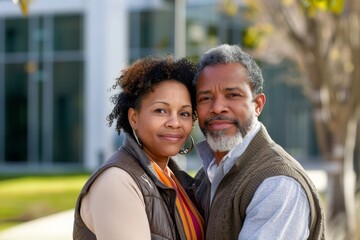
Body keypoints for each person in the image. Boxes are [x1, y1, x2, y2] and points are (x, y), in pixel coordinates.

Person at [193, 44, 325, 239]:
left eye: (232, 95)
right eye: (206, 98)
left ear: (258, 105)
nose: (218, 107)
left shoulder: (277, 184)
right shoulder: (207, 176)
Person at [73, 56, 204, 240]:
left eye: (184, 113)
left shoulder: (177, 181)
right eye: (161, 110)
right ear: (134, 118)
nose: (175, 123)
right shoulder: (117, 182)